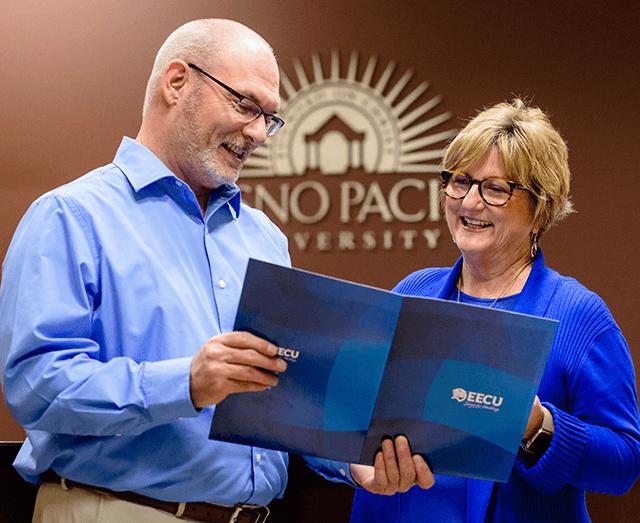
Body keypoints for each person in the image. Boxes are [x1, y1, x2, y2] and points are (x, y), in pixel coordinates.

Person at [0, 19, 433, 522]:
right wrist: (185, 382)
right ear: (176, 81)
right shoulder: (70, 216)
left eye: (268, 118)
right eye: (245, 104)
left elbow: (283, 401)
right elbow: (36, 387)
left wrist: (353, 462)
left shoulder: (264, 237)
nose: (256, 133)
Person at [350, 99, 640, 522]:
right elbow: (350, 412)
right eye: (460, 181)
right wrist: (356, 465)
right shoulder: (414, 291)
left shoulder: (578, 315)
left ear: (541, 206)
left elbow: (624, 463)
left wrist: (537, 424)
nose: (469, 202)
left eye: (496, 188)